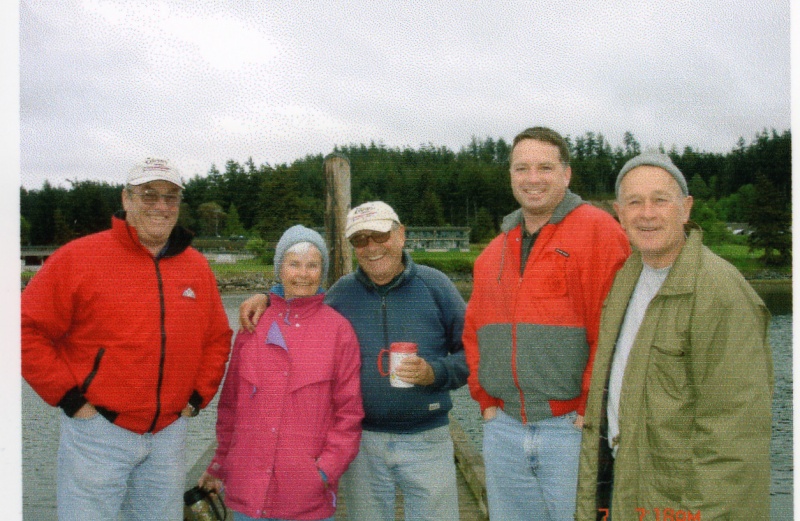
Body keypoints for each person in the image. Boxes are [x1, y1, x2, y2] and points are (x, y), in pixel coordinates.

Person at [21, 158, 233, 520]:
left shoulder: (196, 266)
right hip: (98, 432)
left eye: (171, 197)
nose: (161, 206)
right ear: (127, 198)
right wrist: (72, 401)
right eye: (149, 194)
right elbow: (24, 330)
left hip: (169, 434)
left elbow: (216, 338)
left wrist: (197, 397)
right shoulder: (78, 258)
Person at [239, 201, 468, 521]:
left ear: (400, 235)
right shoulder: (342, 293)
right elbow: (301, 307)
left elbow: (473, 353)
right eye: (360, 239)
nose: (371, 246)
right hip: (361, 444)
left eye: (379, 235)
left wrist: (436, 372)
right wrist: (266, 298)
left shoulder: (436, 285)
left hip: (427, 439)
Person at [575, 152, 773, 520]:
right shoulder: (627, 277)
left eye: (660, 200)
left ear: (685, 208)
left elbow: (733, 440)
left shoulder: (719, 292)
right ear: (619, 213)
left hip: (681, 503)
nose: (646, 213)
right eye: (634, 202)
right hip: (624, 487)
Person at [462, 126, 631, 521]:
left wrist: (592, 405)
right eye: (522, 168)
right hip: (502, 429)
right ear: (510, 176)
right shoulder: (492, 253)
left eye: (544, 167)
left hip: (570, 430)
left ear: (566, 174)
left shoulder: (599, 231)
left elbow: (613, 331)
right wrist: (484, 400)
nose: (532, 178)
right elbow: (474, 334)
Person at [198, 225, 363, 521]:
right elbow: (230, 408)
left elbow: (349, 415)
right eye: (294, 264)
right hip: (247, 491)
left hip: (306, 496)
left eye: (313, 265)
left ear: (322, 271)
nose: (303, 273)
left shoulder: (340, 331)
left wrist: (324, 472)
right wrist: (218, 465)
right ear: (279, 269)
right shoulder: (252, 324)